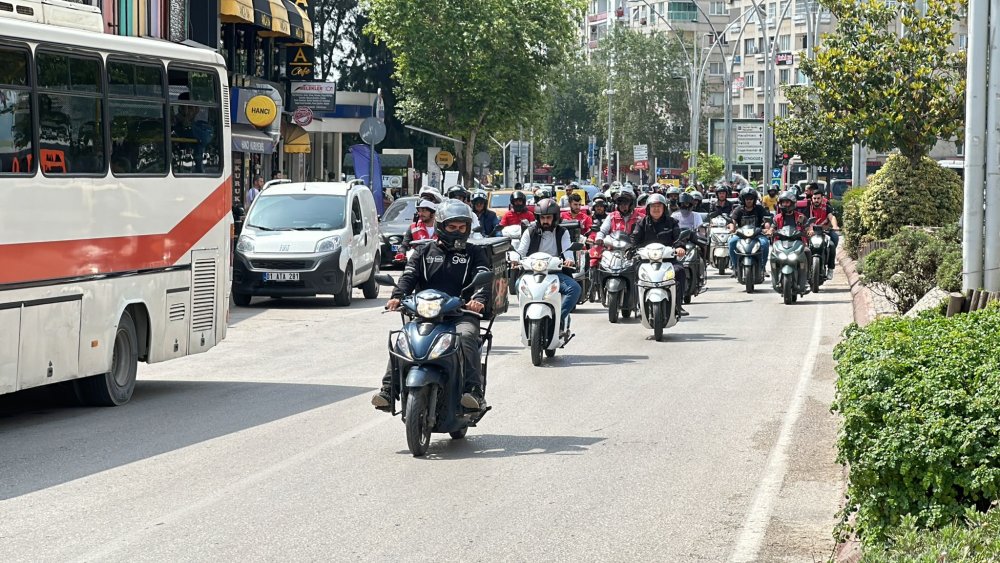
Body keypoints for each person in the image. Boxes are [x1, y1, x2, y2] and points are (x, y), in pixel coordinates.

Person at [372, 201, 491, 411]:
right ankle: (388, 390)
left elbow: (483, 276)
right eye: (452, 227)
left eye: (462, 227)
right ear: (440, 227)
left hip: (460, 313)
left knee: (466, 338)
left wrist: (478, 301)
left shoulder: (474, 253)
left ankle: (473, 392)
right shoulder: (422, 251)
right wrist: (397, 296)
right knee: (402, 339)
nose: (457, 232)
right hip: (424, 312)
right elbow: (409, 276)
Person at [514, 199, 581, 330]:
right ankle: (526, 315)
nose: (545, 221)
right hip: (531, 272)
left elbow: (568, 251)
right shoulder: (530, 231)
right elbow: (520, 251)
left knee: (575, 289)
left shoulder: (563, 232)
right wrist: (515, 259)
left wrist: (569, 260)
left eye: (548, 217)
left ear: (555, 218)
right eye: (542, 217)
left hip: (555, 273)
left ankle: (558, 319)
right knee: (518, 285)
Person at [631, 194, 689, 317]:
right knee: (634, 271)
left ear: (664, 208)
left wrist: (680, 247)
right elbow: (634, 239)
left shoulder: (672, 222)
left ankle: (678, 304)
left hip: (668, 260)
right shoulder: (642, 223)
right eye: (653, 206)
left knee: (679, 271)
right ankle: (638, 305)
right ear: (648, 208)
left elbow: (678, 238)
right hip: (646, 260)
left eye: (659, 206)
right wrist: (630, 249)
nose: (656, 209)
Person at [768, 191, 811, 291]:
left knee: (808, 252)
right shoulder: (777, 218)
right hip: (780, 244)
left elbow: (808, 227)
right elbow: (772, 227)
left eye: (787, 202)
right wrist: (770, 231)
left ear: (792, 203)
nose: (785, 205)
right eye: (783, 202)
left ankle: (807, 276)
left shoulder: (800, 217)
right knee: (773, 256)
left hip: (798, 243)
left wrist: (810, 231)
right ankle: (774, 277)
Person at [727, 187, 772, 274]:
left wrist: (767, 229)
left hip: (757, 234)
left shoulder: (759, 209)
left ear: (754, 199)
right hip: (741, 235)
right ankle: (735, 267)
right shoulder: (738, 209)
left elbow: (766, 220)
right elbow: (733, 221)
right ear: (743, 199)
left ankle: (762, 267)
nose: (749, 201)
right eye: (747, 199)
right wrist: (732, 228)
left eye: (751, 198)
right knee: (731, 242)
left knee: (765, 243)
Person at [804, 189, 840, 279]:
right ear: (811, 199)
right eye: (814, 198)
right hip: (810, 233)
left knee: (832, 244)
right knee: (803, 248)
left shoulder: (826, 207)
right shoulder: (807, 207)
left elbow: (831, 217)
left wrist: (835, 226)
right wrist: (808, 230)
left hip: (824, 231)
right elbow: (804, 220)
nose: (816, 200)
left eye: (818, 198)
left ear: (822, 198)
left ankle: (830, 269)